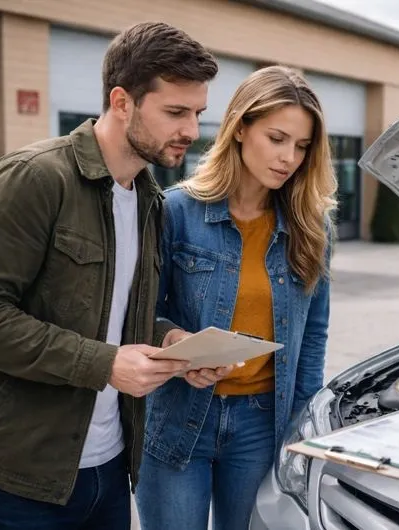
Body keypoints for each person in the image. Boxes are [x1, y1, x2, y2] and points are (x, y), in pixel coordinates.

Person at [0, 21, 218, 529]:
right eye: (175, 112)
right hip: (17, 480)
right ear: (121, 101)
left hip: (110, 468)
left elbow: (112, 312)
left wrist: (173, 342)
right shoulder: (33, 178)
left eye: (197, 113)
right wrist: (103, 364)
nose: (191, 130)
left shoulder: (149, 199)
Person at [134, 65, 336, 530]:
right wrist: (177, 341)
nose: (289, 157)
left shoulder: (313, 227)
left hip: (261, 425)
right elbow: (142, 313)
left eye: (302, 146)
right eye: (277, 138)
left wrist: (301, 430)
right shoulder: (175, 211)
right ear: (241, 127)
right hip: (178, 414)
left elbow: (313, 337)